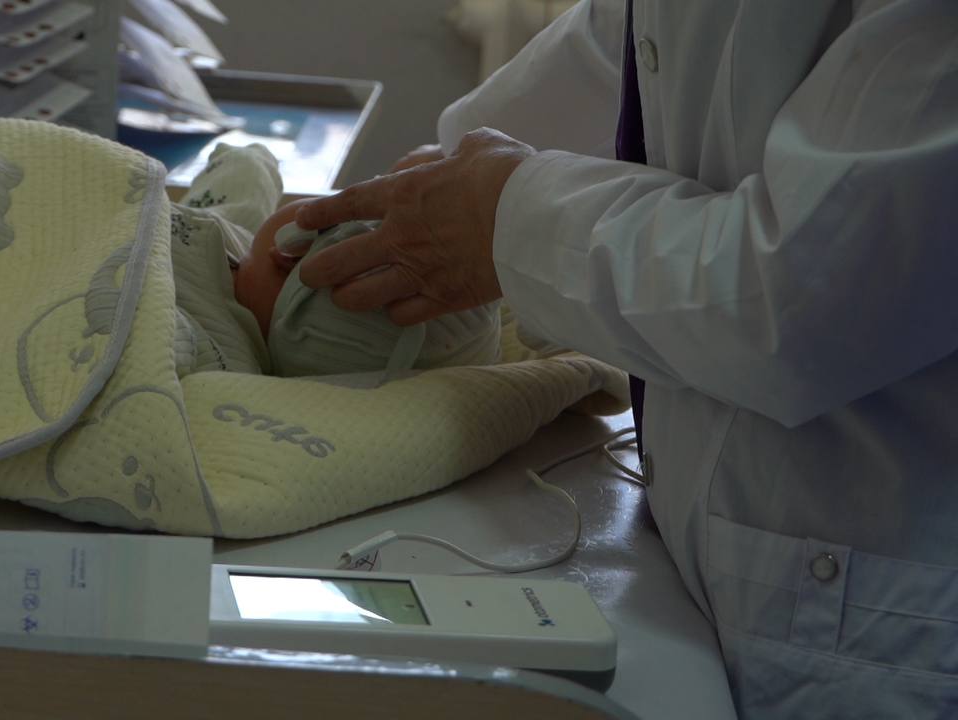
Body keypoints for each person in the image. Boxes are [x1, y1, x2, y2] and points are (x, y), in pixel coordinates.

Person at [279, 1, 958, 717]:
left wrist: (502, 217)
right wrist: (436, 183)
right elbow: (643, 46)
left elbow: (809, 295)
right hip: (716, 566)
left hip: (882, 619)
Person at [168, 143, 501, 379]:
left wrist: (250, 160)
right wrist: (251, 160)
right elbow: (244, 180)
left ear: (294, 247)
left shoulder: (205, 345)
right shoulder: (243, 240)